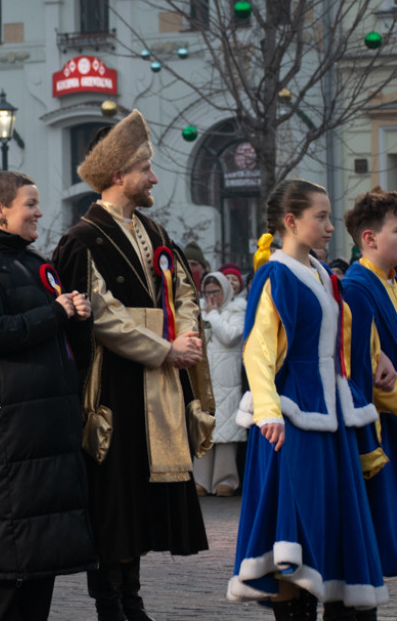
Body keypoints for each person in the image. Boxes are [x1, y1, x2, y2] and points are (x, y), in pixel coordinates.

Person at [51, 110, 213, 621]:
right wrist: (165, 349)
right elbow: (100, 316)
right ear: (118, 173)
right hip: (115, 384)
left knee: (141, 495)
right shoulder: (82, 238)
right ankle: (110, 601)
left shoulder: (156, 230)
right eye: (146, 167)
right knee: (113, 496)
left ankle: (133, 595)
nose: (154, 177)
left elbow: (183, 291)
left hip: (161, 379)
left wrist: (185, 335)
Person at [228, 180, 388, 620]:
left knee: (330, 522)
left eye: (329, 216)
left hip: (331, 417)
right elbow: (257, 350)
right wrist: (268, 412)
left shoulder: (322, 274)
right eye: (321, 216)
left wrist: (378, 358)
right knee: (297, 524)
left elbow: (340, 339)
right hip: (293, 418)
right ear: (290, 221)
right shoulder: (275, 274)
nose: (330, 226)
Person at [0, 171, 97, 621]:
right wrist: (56, 311)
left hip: (47, 432)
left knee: (40, 563)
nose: (39, 212)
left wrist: (76, 313)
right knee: (10, 569)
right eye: (30, 203)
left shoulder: (29, 261)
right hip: (9, 436)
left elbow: (53, 328)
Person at [342, 187, 397, 579]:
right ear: (370, 238)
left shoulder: (392, 282)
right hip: (385, 430)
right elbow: (363, 373)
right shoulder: (357, 288)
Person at [193, 272, 246, 497]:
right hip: (206, 375)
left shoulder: (237, 310)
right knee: (205, 426)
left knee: (227, 431)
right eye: (208, 292)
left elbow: (230, 336)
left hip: (228, 378)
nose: (212, 297)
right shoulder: (199, 309)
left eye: (216, 291)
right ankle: (201, 480)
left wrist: (213, 315)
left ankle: (225, 480)